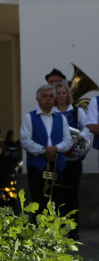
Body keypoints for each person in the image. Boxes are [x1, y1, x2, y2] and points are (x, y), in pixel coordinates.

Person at [21, 84, 72, 213]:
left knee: (58, 202)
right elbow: (25, 141)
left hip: (57, 165)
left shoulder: (61, 118)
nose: (48, 99)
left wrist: (55, 148)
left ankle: (55, 232)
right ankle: (38, 232)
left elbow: (68, 140)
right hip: (37, 166)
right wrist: (43, 150)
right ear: (38, 99)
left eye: (51, 96)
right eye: (45, 96)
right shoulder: (29, 117)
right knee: (37, 201)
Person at [54, 80, 91, 238]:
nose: (62, 96)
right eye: (59, 93)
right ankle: (59, 229)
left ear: (67, 95)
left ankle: (73, 230)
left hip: (74, 160)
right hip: (56, 159)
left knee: (73, 195)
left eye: (64, 93)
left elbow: (88, 128)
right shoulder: (51, 112)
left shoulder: (77, 111)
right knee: (57, 195)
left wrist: (77, 139)